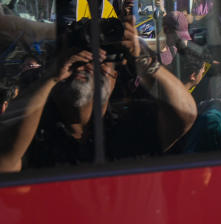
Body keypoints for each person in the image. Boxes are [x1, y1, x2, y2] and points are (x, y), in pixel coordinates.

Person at [22, 17, 198, 167]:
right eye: (77, 56)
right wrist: (50, 78)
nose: (88, 64)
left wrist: (143, 59)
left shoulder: (131, 125)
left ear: (115, 77)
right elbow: (7, 157)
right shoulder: (33, 130)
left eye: (102, 59)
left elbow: (186, 114)